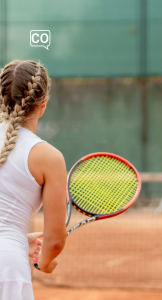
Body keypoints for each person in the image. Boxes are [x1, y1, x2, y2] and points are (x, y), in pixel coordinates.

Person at [0, 60, 67, 299]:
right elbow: (55, 241)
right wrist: (46, 263)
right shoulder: (49, 157)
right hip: (7, 267)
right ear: (43, 104)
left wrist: (18, 236)